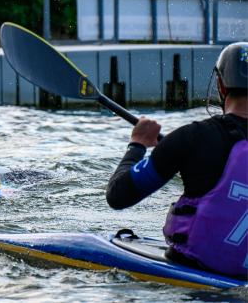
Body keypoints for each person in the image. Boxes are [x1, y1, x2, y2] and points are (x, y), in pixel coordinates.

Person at [106, 42, 248, 279]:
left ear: (221, 85)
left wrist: (137, 144)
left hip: (194, 267)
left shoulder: (192, 137)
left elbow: (118, 195)